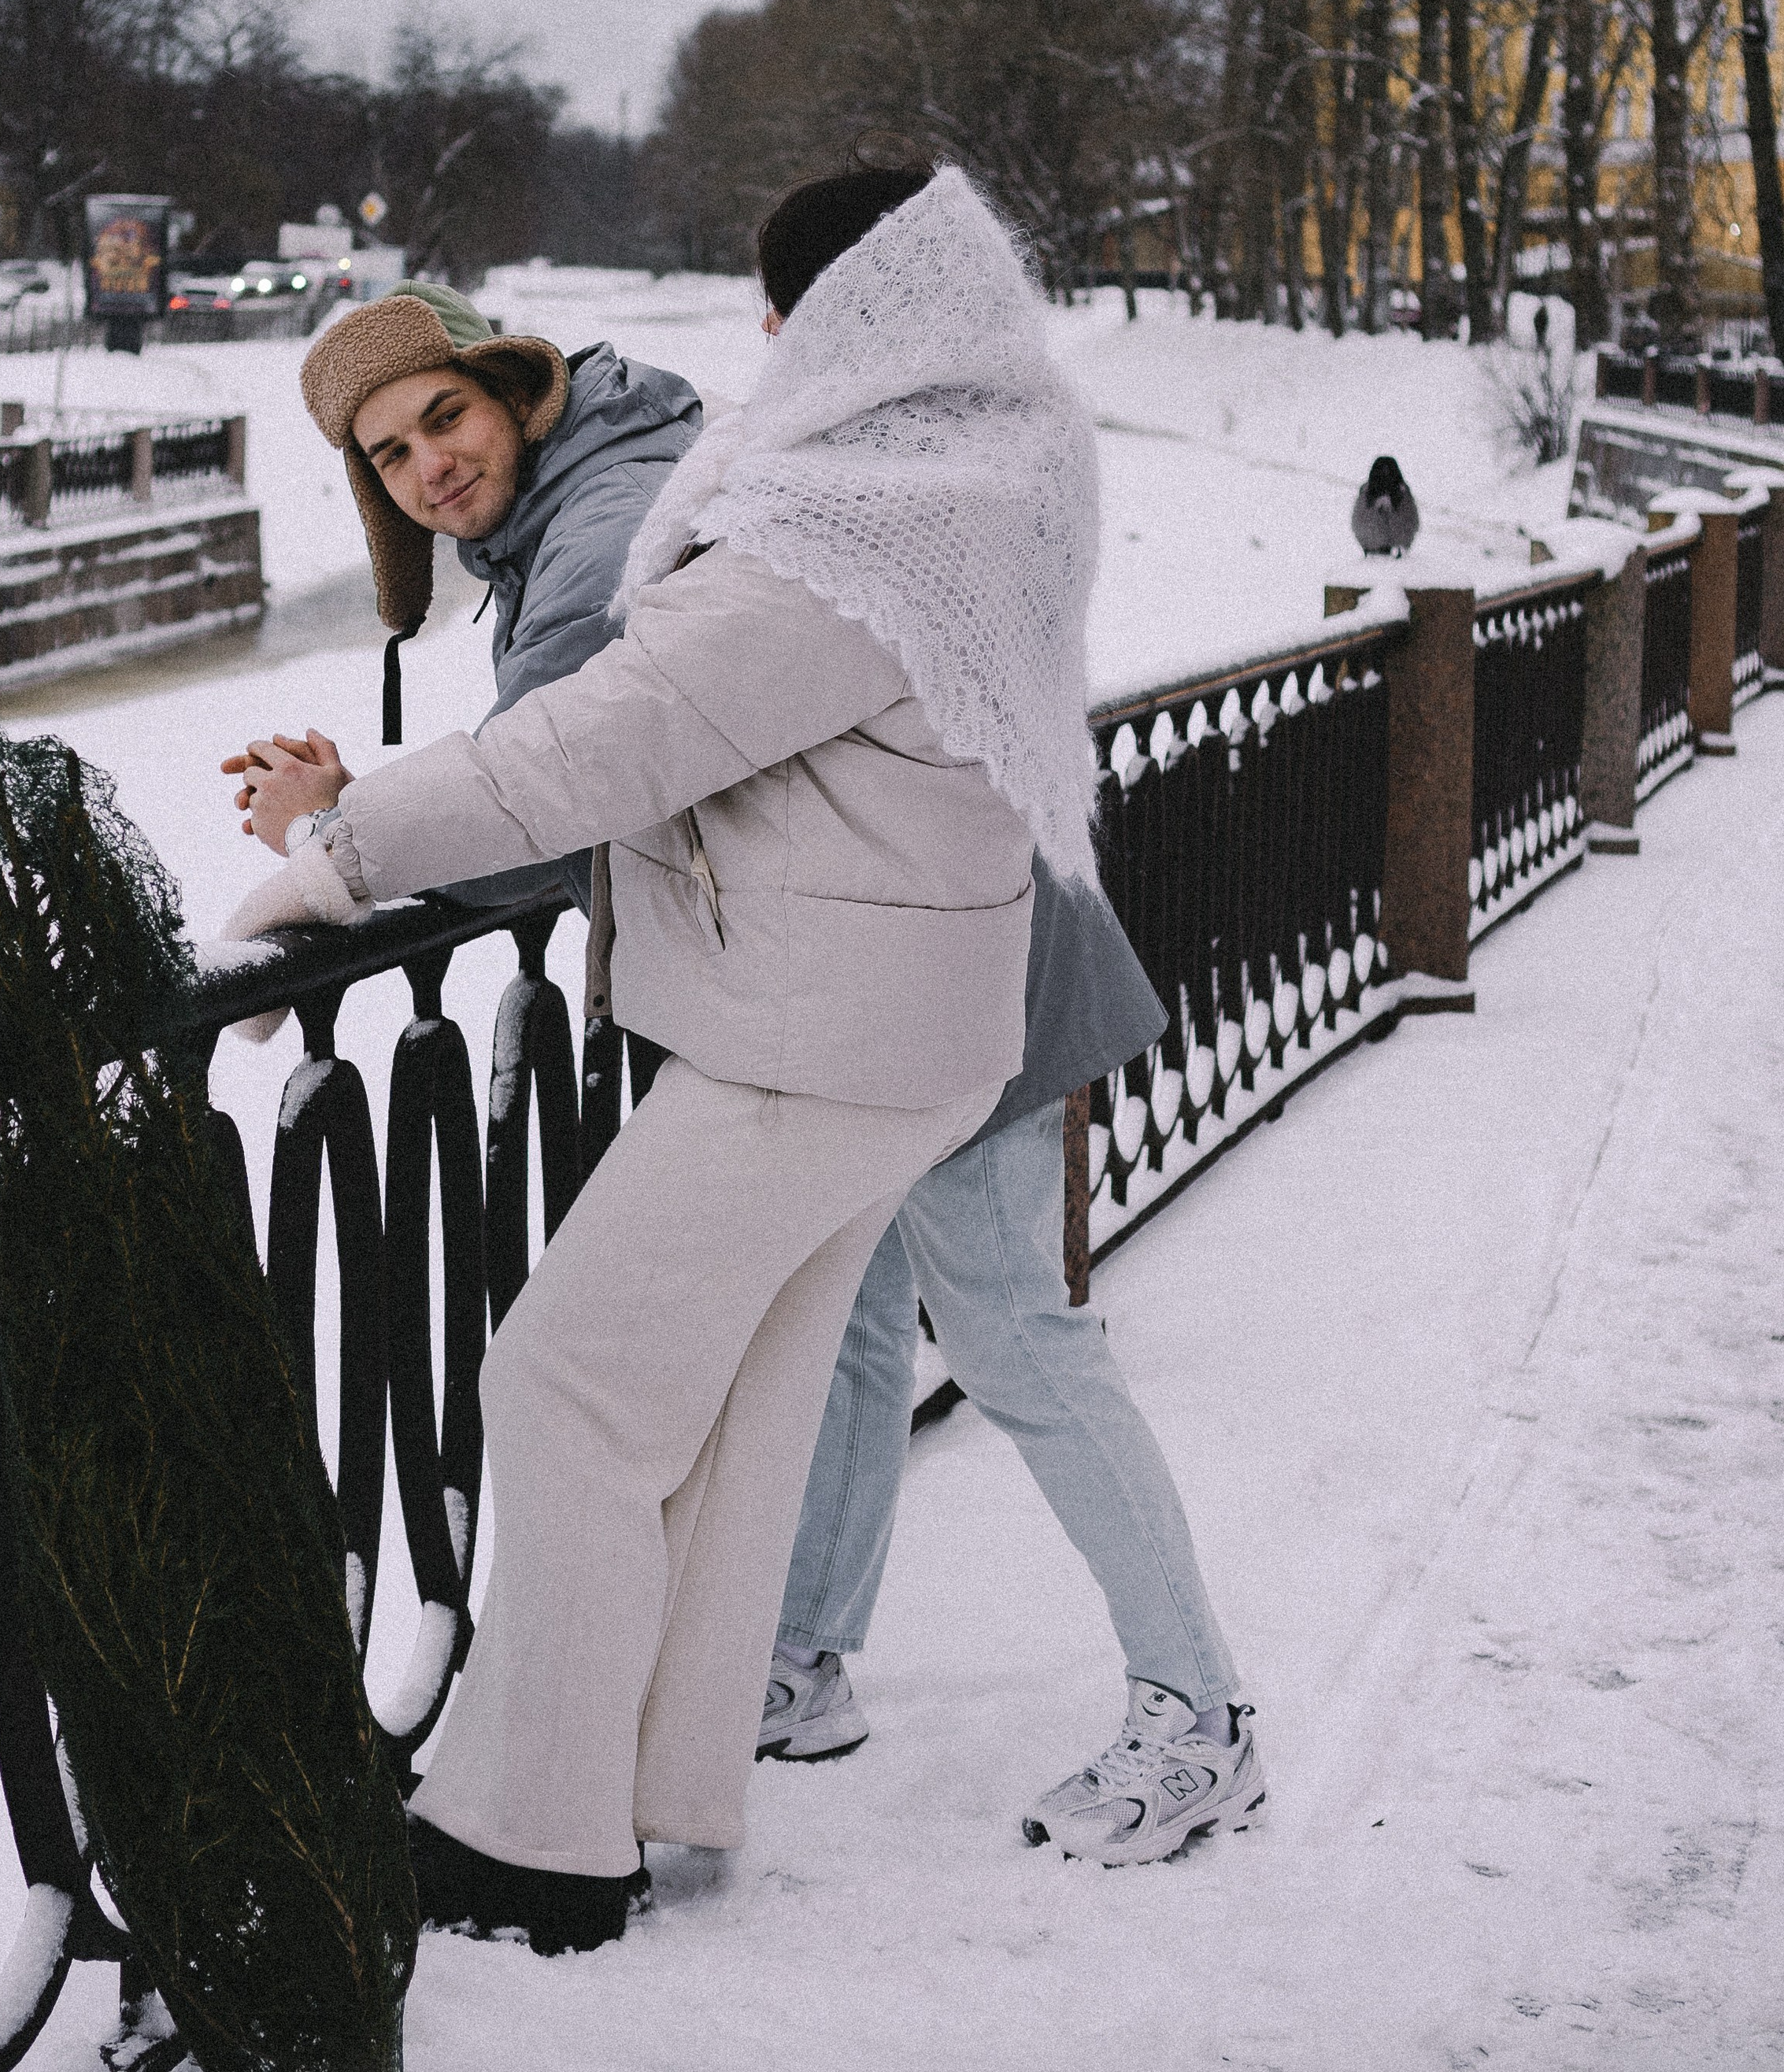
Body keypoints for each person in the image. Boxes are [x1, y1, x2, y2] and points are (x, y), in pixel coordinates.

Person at [227, 166, 1100, 1953]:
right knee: (728, 1414)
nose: (773, 344)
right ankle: (664, 1797)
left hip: (816, 1029)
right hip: (901, 1016)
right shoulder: (994, 459)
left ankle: (529, 1838)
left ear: (862, 316)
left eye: (796, 309)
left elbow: (598, 746)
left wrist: (330, 862)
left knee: (565, 1384)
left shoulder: (855, 519)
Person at [755, 193, 1264, 1870]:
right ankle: (804, 1661)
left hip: (964, 969)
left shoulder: (914, 478)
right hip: (900, 968)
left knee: (1023, 1344)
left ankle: (1198, 1717)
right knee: (849, 1326)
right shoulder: (977, 441)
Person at [220, 276, 703, 909]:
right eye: (392, 455)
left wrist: (326, 829)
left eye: (446, 418)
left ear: (513, 391)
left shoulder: (605, 534)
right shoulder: (550, 514)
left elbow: (529, 816)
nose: (432, 467)